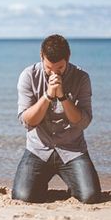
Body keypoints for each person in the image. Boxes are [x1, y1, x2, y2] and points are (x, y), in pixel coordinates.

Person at [11, 34, 102, 204]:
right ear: (41, 56)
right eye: (48, 67)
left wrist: (62, 97)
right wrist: (47, 95)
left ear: (68, 58)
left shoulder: (81, 77)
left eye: (59, 68)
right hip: (38, 149)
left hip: (72, 150)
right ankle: (39, 185)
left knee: (90, 197)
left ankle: (74, 184)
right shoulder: (29, 75)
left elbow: (83, 122)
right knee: (21, 198)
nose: (54, 73)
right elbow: (27, 121)